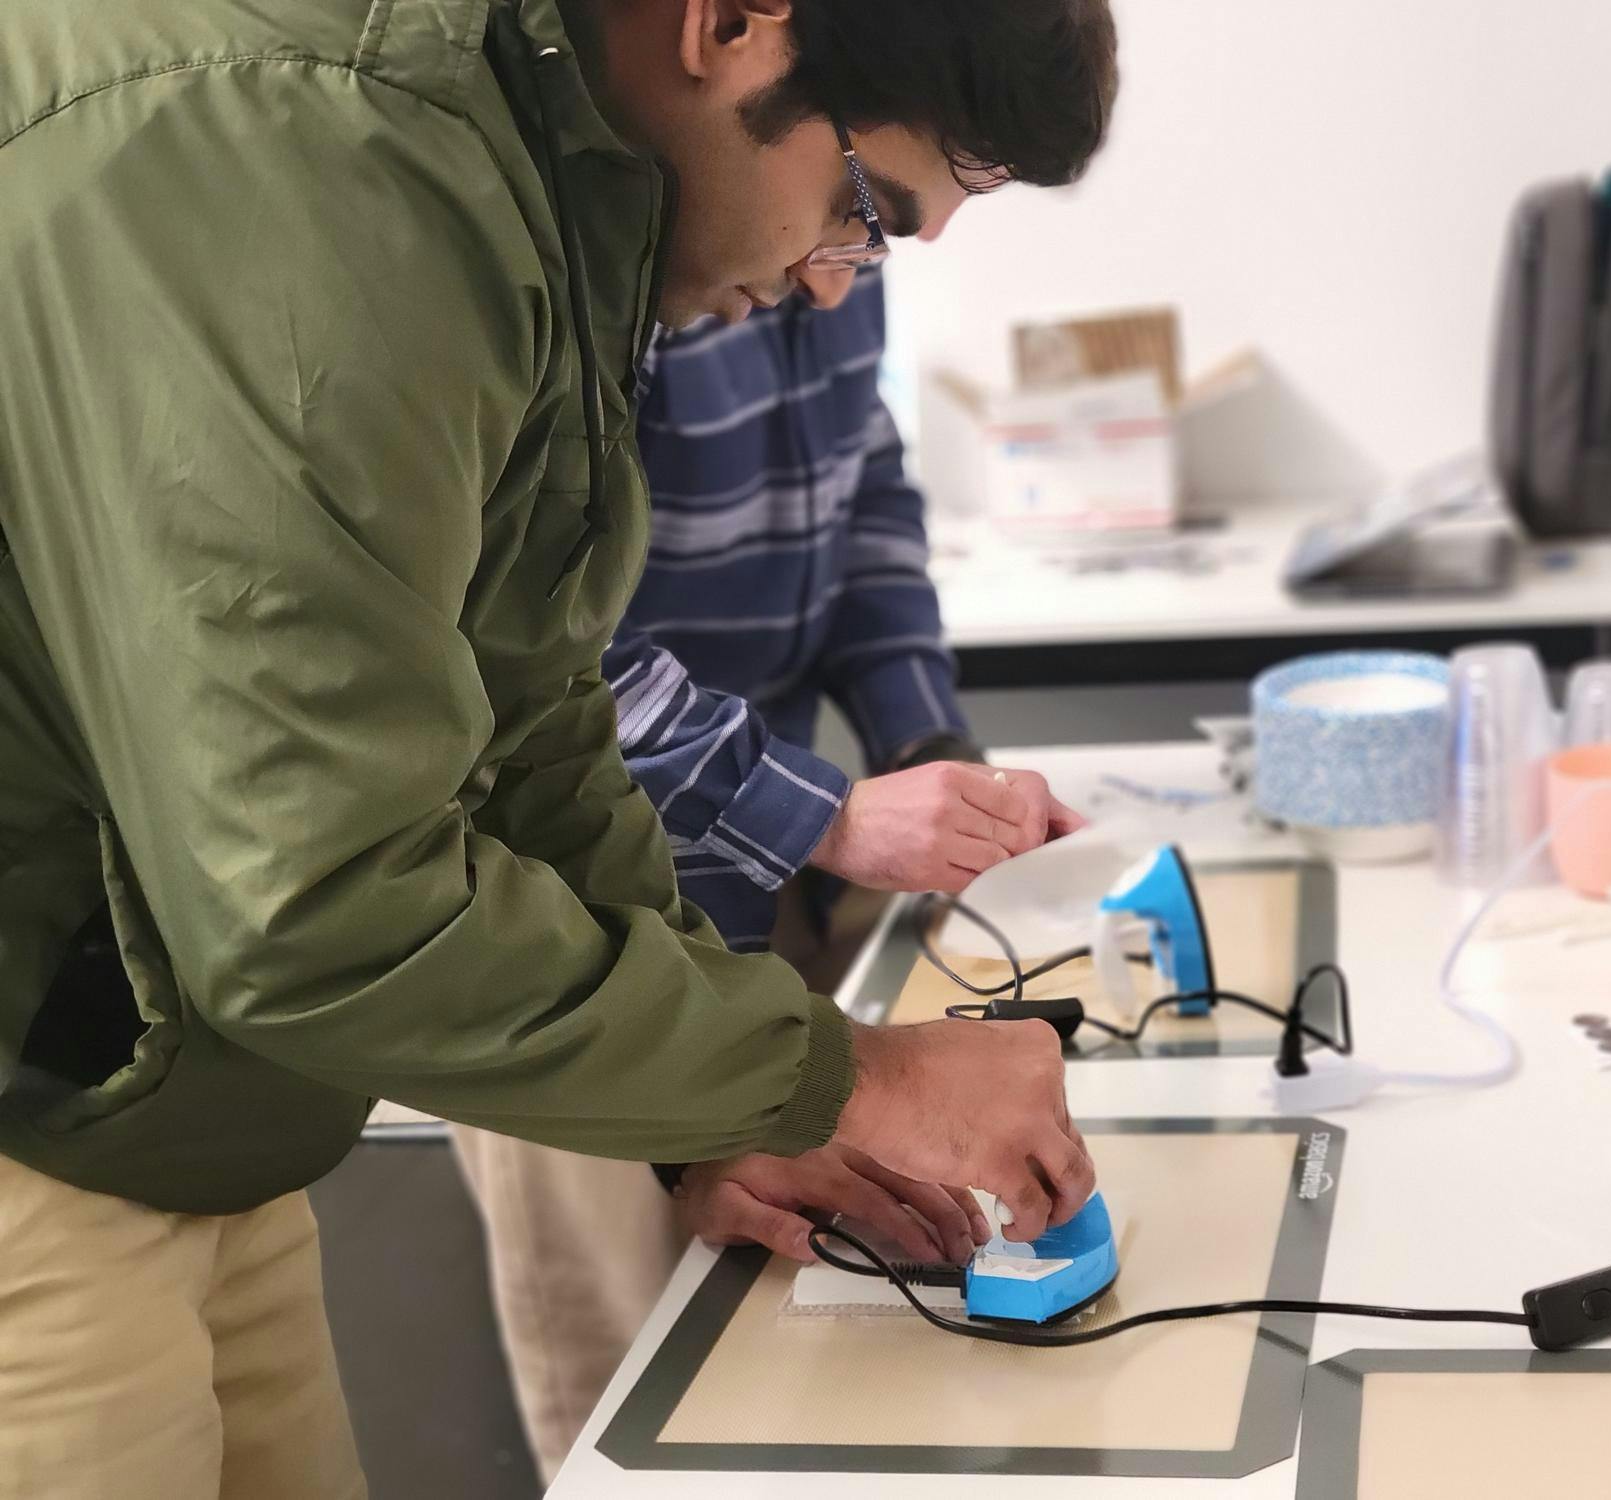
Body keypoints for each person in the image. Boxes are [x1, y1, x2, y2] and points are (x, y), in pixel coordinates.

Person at [0, 3, 1119, 1496]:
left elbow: (527, 712)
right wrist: (844, 1074)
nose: (826, 282)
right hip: (45, 1128)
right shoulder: (324, 156)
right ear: (733, 21)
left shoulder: (537, 162)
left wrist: (735, 1111)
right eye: (864, 209)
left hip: (186, 1104)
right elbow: (321, 899)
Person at [455, 260, 1080, 1478]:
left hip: (767, 878)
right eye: (877, 202)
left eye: (888, 236)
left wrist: (925, 747)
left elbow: (865, 487)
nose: (851, 273)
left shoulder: (840, 253)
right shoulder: (580, 275)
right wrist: (824, 813)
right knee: (637, 1409)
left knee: (812, 1348)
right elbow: (531, 645)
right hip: (560, 940)